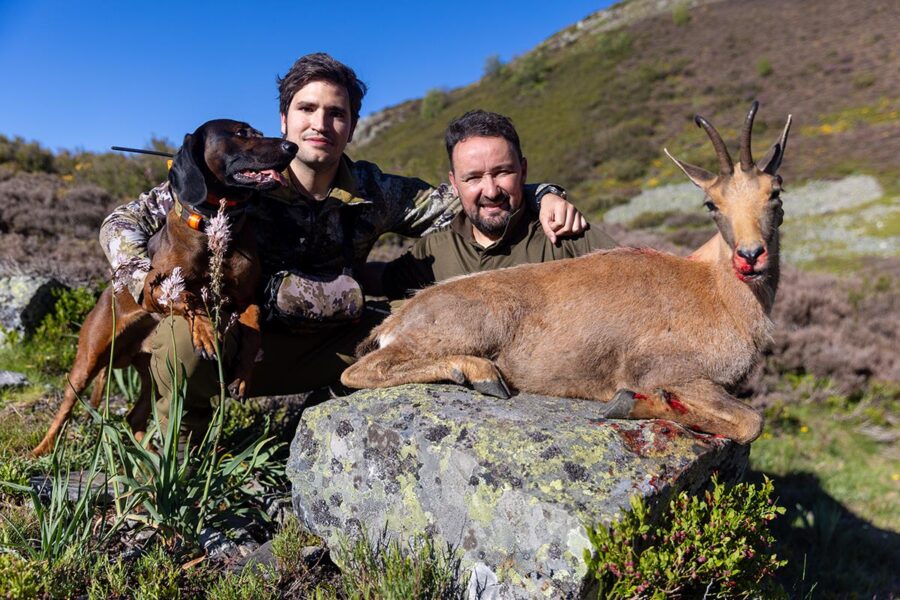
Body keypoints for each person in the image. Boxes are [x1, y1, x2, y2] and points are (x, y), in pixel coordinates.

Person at [100, 53, 587, 437]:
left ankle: (337, 420)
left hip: (334, 340)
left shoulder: (376, 190)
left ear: (352, 125)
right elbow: (123, 221)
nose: (320, 123)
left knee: (408, 339)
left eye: (337, 113)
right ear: (284, 119)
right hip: (243, 337)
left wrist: (540, 193)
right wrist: (150, 280)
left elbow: (467, 196)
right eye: (306, 109)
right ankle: (178, 438)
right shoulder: (237, 177)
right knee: (184, 344)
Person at [362, 110, 617, 300]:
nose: (491, 191)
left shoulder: (568, 236)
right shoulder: (435, 249)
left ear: (523, 171)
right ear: (454, 183)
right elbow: (382, 279)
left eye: (503, 172)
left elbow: (640, 284)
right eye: (473, 177)